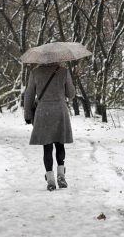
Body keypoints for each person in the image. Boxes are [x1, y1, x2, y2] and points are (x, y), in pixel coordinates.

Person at [24, 62, 76, 191]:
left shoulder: (35, 72)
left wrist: (27, 114)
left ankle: (51, 180)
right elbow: (71, 94)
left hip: (43, 113)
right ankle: (61, 176)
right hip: (60, 111)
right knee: (60, 144)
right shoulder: (63, 71)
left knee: (47, 147)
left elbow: (29, 94)